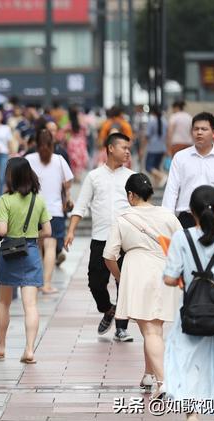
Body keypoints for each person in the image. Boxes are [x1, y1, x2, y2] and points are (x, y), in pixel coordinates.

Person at [163, 185, 214, 421]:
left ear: (191, 211)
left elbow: (168, 278)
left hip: (191, 311)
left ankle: (192, 415)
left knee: (186, 362)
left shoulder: (181, 238)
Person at [103, 173, 181, 393]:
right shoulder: (168, 215)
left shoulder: (123, 218)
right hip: (165, 272)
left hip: (137, 271)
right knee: (155, 327)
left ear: (130, 195)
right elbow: (182, 245)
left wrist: (119, 276)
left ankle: (164, 381)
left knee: (149, 330)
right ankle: (149, 374)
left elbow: (109, 255)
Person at [64, 132, 135, 342]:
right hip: (101, 238)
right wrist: (71, 230)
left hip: (125, 239)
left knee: (124, 283)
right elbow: (81, 205)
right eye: (124, 147)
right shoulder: (94, 176)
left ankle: (121, 328)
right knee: (95, 282)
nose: (127, 152)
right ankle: (107, 309)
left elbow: (140, 206)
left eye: (129, 148)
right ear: (111, 148)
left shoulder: (132, 177)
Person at [0, 157, 52, 363]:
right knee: (30, 305)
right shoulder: (38, 200)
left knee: (4, 302)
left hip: (8, 253)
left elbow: (3, 230)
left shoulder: (5, 200)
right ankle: (30, 349)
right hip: (31, 252)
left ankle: (1, 346)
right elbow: (48, 231)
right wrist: (30, 235)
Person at [162, 112, 214, 229]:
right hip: (187, 218)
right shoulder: (180, 157)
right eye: (196, 129)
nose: (199, 132)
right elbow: (171, 190)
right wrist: (167, 219)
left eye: (204, 129)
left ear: (213, 133)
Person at [26, 130, 73, 294]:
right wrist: (66, 197)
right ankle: (46, 284)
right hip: (54, 210)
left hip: (32, 209)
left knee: (36, 246)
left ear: (36, 144)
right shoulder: (59, 160)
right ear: (52, 144)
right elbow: (68, 182)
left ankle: (37, 282)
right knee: (51, 246)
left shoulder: (29, 160)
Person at [140, 106, 168, 188]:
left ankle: (162, 176)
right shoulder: (164, 121)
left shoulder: (152, 121)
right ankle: (156, 184)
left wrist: (142, 148)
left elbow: (147, 136)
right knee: (156, 167)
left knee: (148, 167)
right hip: (162, 147)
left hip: (153, 147)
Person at [64, 106, 89, 181]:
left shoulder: (70, 124)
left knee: (73, 160)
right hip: (80, 143)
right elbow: (86, 132)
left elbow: (63, 131)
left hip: (72, 143)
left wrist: (66, 139)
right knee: (80, 160)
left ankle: (75, 176)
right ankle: (78, 176)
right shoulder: (82, 123)